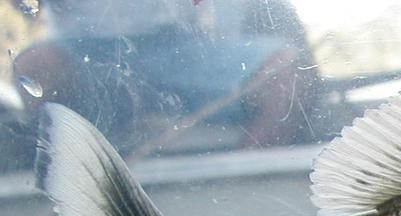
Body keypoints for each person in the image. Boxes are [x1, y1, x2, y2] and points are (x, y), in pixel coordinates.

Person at [11, 0, 319, 151]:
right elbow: (24, 6)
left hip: (185, 48)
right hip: (84, 52)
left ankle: (241, 188)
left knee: (287, 72)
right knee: (34, 66)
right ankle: (58, 185)